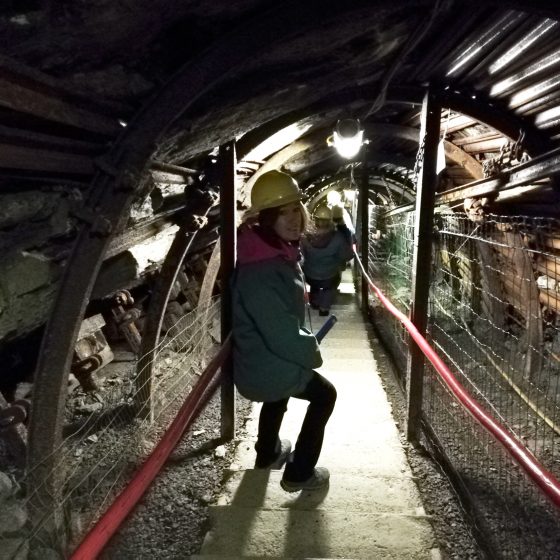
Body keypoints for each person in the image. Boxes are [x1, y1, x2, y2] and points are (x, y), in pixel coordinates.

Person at [231, 169, 337, 492]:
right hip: (266, 363)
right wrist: (310, 353)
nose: (293, 219)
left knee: (278, 397)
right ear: (266, 219)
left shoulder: (274, 252)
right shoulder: (262, 270)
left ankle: (267, 454)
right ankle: (299, 473)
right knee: (325, 395)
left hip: (262, 359)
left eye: (295, 209)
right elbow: (281, 335)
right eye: (281, 213)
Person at [301, 205, 354, 316]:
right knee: (331, 285)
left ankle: (315, 302)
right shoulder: (338, 237)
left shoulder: (305, 237)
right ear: (330, 220)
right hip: (330, 275)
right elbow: (347, 256)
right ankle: (324, 307)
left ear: (314, 219)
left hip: (310, 275)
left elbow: (300, 255)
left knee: (315, 284)